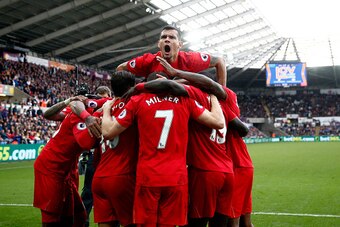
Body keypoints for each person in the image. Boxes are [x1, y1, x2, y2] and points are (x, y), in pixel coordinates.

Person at [101, 74, 225, 227]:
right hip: (176, 177)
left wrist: (106, 110)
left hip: (148, 176)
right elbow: (219, 122)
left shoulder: (137, 101)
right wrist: (213, 97)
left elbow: (108, 132)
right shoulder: (186, 101)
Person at [156, 57, 248, 227]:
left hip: (204, 172)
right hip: (227, 172)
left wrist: (171, 79)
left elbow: (177, 88)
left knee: (195, 222)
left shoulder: (193, 98)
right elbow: (243, 129)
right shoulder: (222, 104)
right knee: (220, 223)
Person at [33, 103, 99, 227]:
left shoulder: (80, 111)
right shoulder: (80, 113)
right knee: (52, 217)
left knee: (77, 214)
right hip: (51, 168)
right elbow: (85, 143)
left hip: (66, 170)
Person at [116, 25, 227, 86]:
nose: (167, 40)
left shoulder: (189, 59)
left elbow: (219, 61)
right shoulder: (148, 60)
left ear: (180, 44)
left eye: (172, 37)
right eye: (164, 37)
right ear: (159, 44)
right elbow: (120, 68)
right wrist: (123, 96)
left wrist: (222, 93)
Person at [81, 86, 112, 227]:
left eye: (103, 97)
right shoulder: (92, 113)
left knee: (111, 196)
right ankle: (83, 220)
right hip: (96, 157)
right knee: (88, 192)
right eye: (98, 97)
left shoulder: (113, 107)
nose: (101, 100)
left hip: (111, 158)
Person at [224, 89, 254, 227]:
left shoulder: (221, 110)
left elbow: (244, 130)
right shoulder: (229, 106)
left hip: (236, 167)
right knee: (246, 222)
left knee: (233, 220)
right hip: (245, 165)